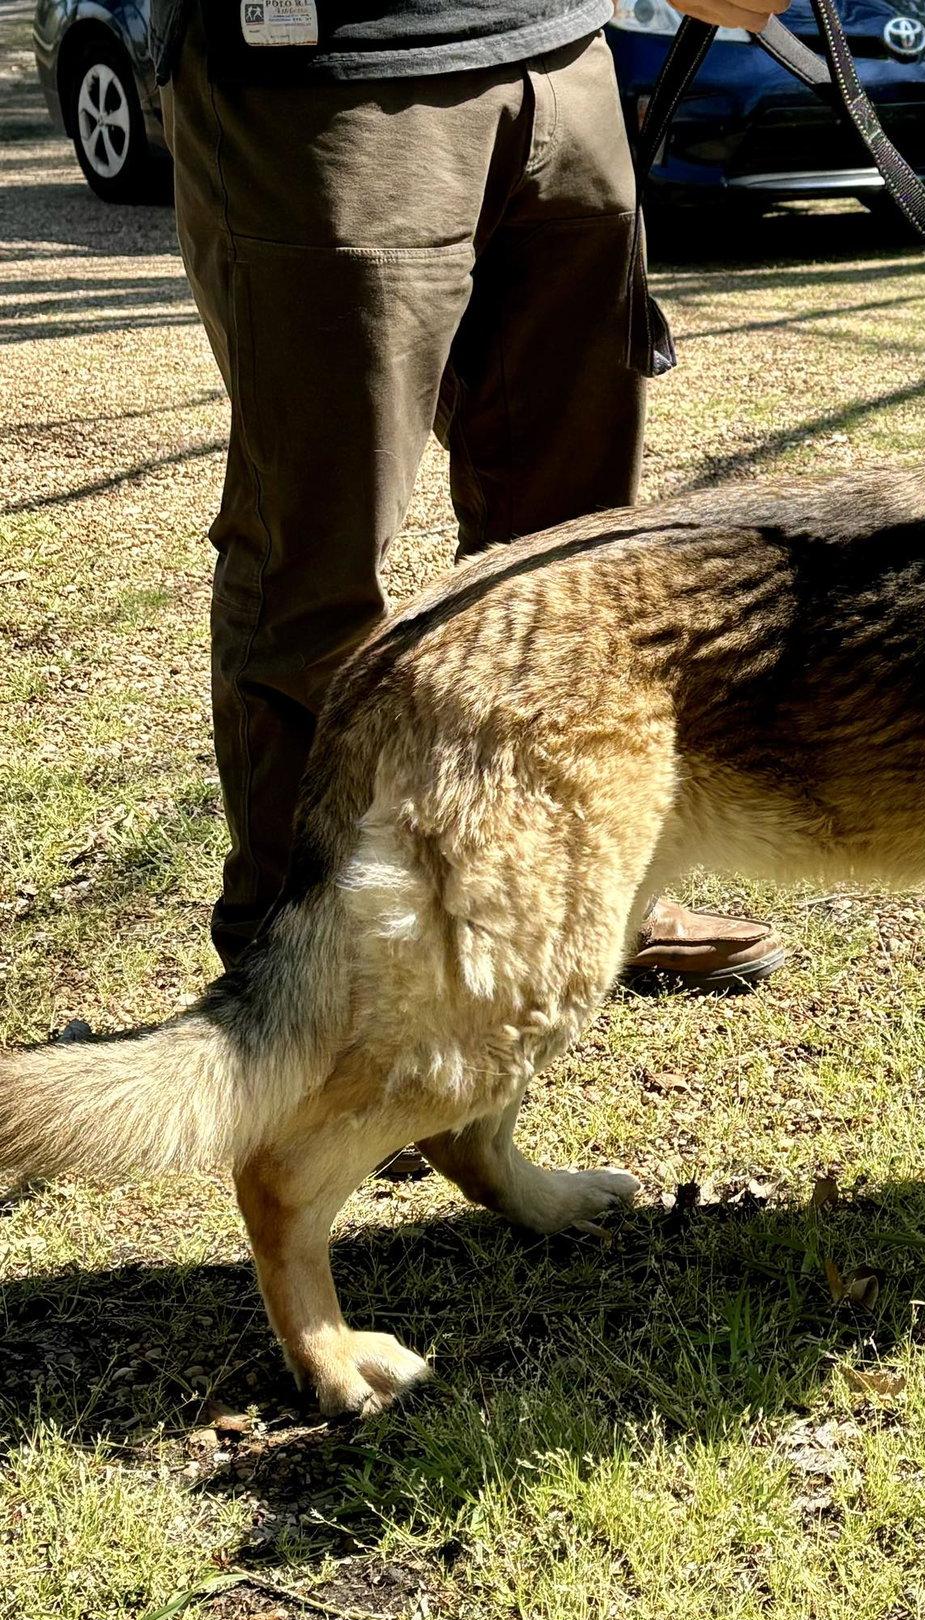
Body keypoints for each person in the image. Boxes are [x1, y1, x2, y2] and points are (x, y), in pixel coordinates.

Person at [152, 0, 788, 990]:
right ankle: (304, 979)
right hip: (330, 70)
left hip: (556, 50)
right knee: (317, 559)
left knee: (570, 550)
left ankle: (563, 894)